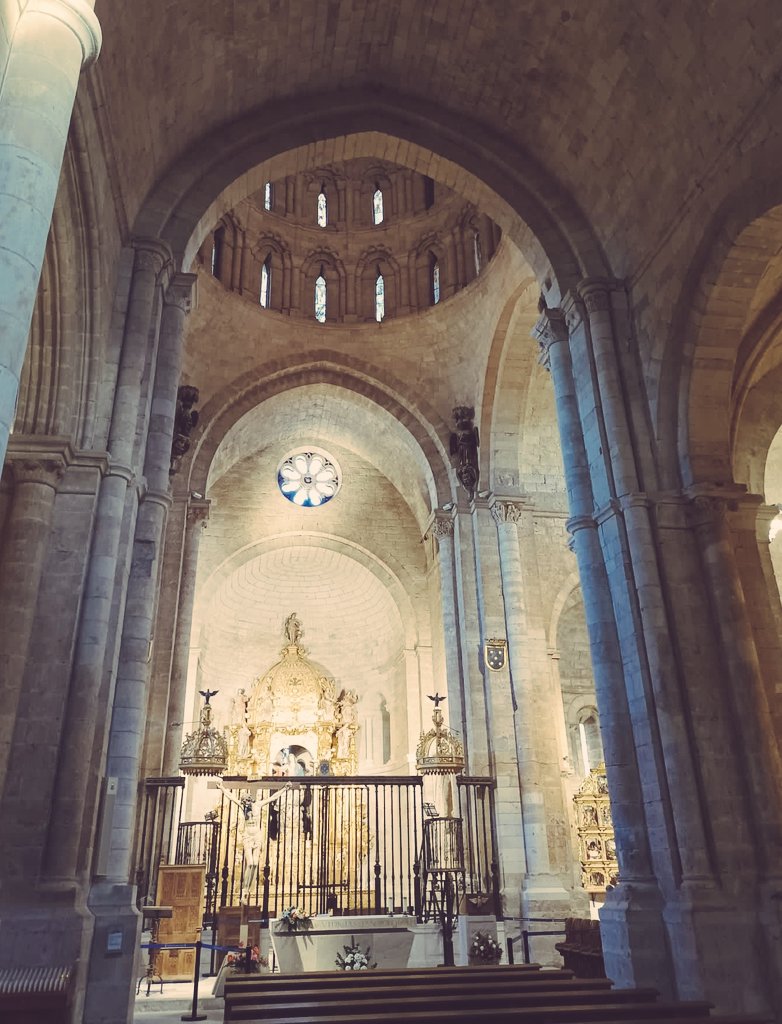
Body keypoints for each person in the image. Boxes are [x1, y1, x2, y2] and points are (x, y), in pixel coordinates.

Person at [216, 780, 293, 903]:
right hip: (247, 836)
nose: (245, 802)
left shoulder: (258, 805)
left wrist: (285, 789)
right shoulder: (243, 807)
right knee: (250, 863)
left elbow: (272, 797)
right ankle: (244, 890)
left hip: (257, 836)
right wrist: (222, 788)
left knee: (255, 864)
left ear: (250, 799)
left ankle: (248, 891)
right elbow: (231, 797)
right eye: (244, 801)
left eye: (246, 800)